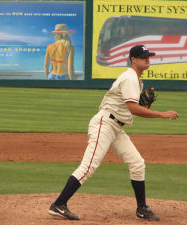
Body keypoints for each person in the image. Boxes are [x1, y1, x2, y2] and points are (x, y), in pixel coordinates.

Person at [48, 45, 179, 221]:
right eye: (144, 57)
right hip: (105, 124)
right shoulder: (130, 78)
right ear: (134, 59)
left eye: (149, 56)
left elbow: (133, 108)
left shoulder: (136, 80)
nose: (148, 59)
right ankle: (58, 204)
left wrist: (145, 105)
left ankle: (141, 209)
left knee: (137, 163)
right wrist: (162, 114)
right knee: (88, 167)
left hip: (116, 127)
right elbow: (133, 109)